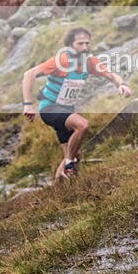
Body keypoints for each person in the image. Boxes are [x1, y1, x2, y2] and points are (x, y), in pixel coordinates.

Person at [22, 28, 131, 180]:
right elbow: (29, 74)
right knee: (82, 125)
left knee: (75, 154)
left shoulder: (89, 61)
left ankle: (57, 189)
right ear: (70, 45)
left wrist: (121, 85)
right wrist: (28, 104)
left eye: (87, 43)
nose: (85, 47)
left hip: (66, 110)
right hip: (49, 108)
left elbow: (111, 74)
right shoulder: (61, 60)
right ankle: (68, 165)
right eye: (80, 44)